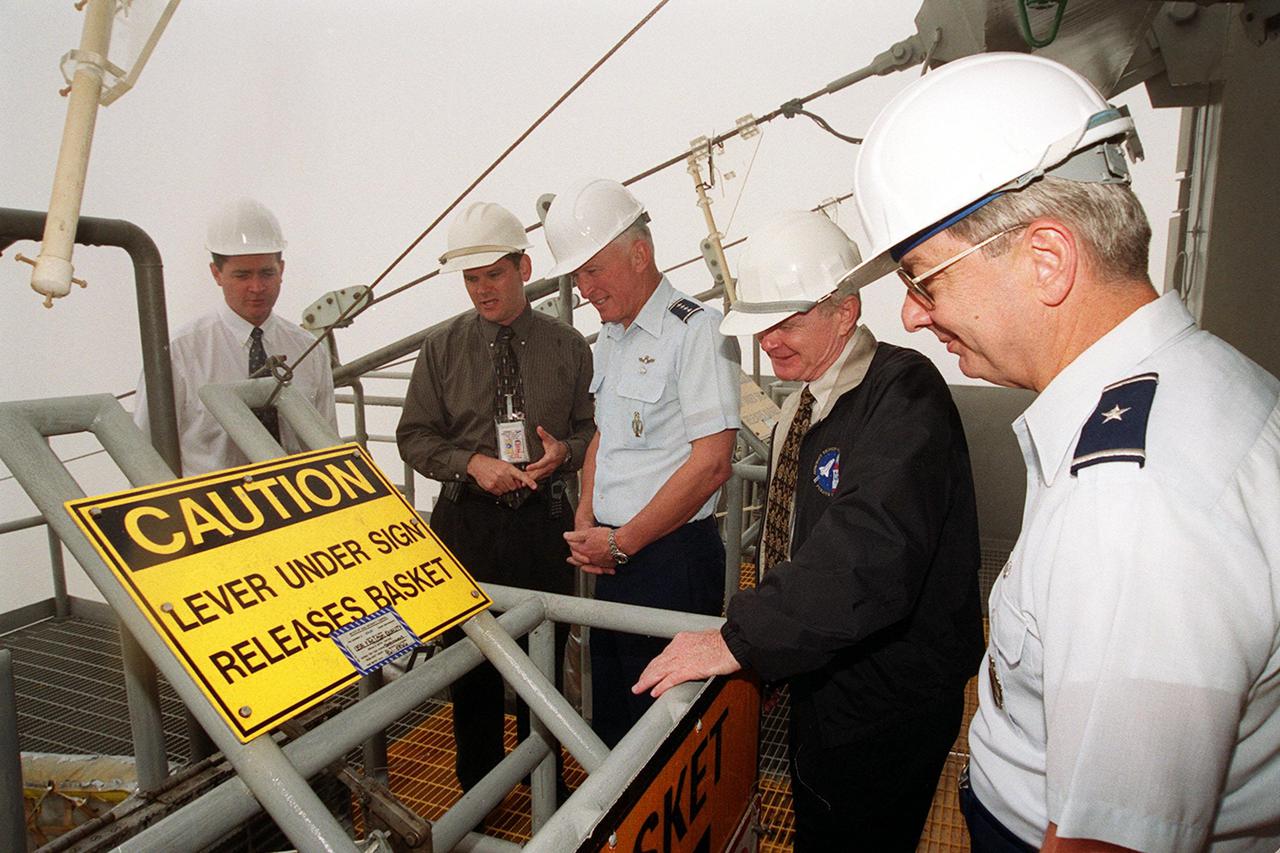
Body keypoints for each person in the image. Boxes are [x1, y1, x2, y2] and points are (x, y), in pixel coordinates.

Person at [836, 53, 1280, 852]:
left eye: (923, 280)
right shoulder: (1198, 386)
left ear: (1047, 258)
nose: (909, 315)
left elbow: (1112, 839)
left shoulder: (1134, 505)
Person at [635, 210, 984, 850]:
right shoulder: (805, 402)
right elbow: (798, 536)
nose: (769, 340)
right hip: (824, 669)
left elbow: (867, 554)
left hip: (886, 697)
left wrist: (744, 639)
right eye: (760, 324)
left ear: (845, 311)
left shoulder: (905, 394)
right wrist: (778, 658)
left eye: (787, 321)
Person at [396, 201, 594, 793]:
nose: (482, 291)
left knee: (547, 658)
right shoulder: (442, 348)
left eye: (494, 276)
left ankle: (548, 791)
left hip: (542, 522)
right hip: (468, 524)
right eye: (471, 279)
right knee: (470, 663)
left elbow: (590, 428)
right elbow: (413, 436)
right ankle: (476, 793)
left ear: (525, 268)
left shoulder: (569, 347)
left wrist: (566, 452)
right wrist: (472, 464)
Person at [541, 177, 741, 747]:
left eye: (594, 270)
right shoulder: (611, 336)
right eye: (577, 275)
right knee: (615, 721)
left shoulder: (696, 330)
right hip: (615, 556)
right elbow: (605, 436)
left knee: (666, 733)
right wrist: (586, 515)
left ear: (640, 254)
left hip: (672, 560)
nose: (584, 288)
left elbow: (712, 464)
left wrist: (623, 540)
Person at [133, 198, 337, 475]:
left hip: (296, 505)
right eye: (242, 275)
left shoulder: (309, 350)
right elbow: (145, 455)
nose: (256, 287)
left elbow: (326, 448)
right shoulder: (179, 354)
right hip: (212, 509)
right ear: (216, 274)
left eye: (267, 273)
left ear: (282, 270)